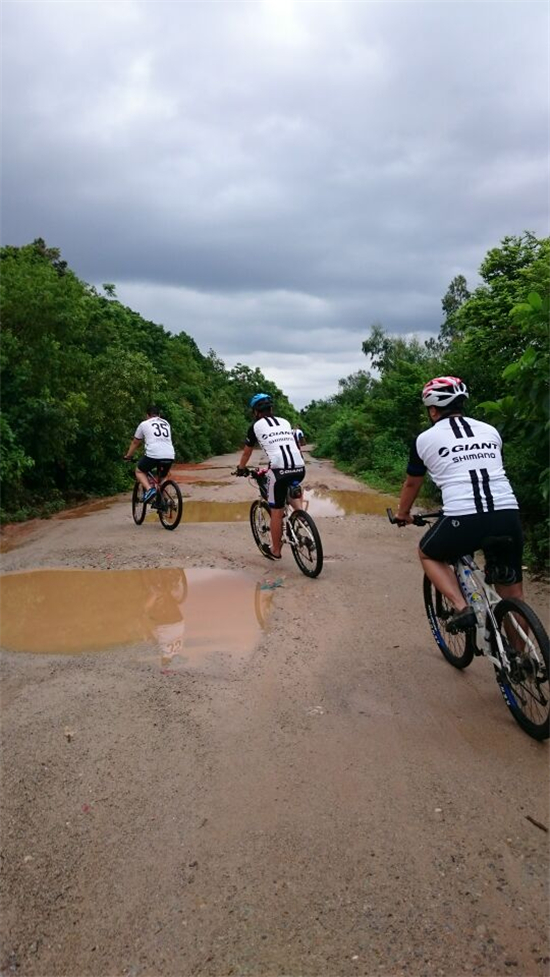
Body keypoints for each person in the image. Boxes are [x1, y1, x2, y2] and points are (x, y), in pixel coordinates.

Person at [395, 376, 523, 632]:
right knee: (513, 595)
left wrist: (403, 513)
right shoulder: (490, 431)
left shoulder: (424, 439)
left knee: (427, 552)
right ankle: (521, 654)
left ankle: (462, 607)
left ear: (433, 410)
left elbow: (412, 484)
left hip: (463, 517)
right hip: (507, 513)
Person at [236, 393, 306, 560]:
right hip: (300, 467)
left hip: (279, 471)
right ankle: (301, 518)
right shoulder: (285, 422)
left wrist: (241, 468)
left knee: (276, 511)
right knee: (290, 490)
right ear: (271, 409)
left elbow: (246, 453)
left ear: (255, 412)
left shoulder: (255, 426)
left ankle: (275, 550)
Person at [124, 406, 176, 502]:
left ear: (147, 415)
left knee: (139, 471)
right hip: (170, 454)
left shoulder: (144, 424)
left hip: (153, 454)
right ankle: (166, 501)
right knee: (163, 477)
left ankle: (149, 489)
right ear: (159, 415)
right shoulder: (166, 423)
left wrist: (128, 456)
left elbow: (135, 442)